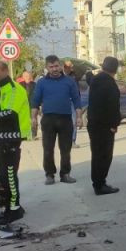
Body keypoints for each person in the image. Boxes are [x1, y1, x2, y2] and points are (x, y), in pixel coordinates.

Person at [0, 61, 31, 226]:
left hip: (12, 137)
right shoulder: (0, 89)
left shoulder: (14, 89)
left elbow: (9, 113)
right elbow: (0, 110)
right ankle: (9, 206)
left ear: (5, 70)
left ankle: (15, 208)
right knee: (4, 176)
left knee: (9, 175)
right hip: (2, 137)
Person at [31, 55, 81, 185]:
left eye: (56, 66)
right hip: (48, 119)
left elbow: (77, 100)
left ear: (61, 66)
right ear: (47, 68)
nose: (54, 69)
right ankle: (49, 174)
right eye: (51, 67)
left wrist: (79, 117)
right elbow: (35, 102)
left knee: (66, 149)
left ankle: (65, 174)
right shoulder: (42, 83)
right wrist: (33, 118)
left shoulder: (69, 81)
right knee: (48, 148)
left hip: (65, 119)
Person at [86, 56, 122, 195]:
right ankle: (100, 184)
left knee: (97, 154)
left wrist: (89, 72)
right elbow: (113, 106)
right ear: (115, 69)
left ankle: (98, 182)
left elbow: (88, 77)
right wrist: (114, 124)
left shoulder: (96, 79)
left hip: (94, 123)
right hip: (105, 126)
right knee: (104, 155)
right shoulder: (109, 83)